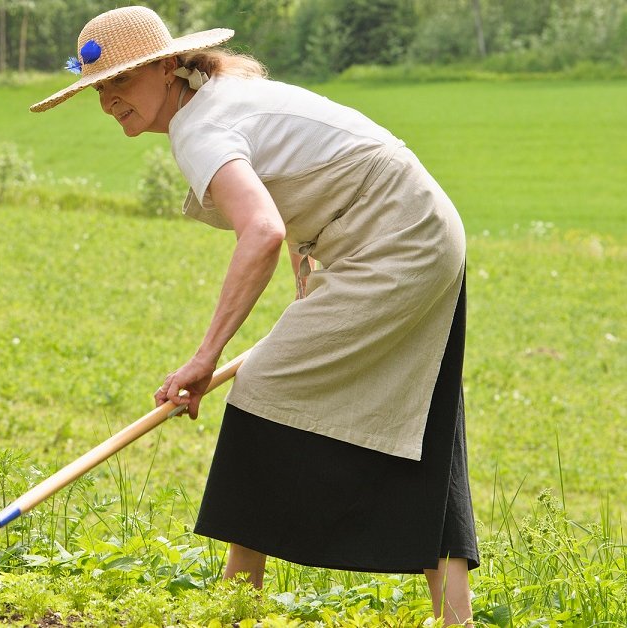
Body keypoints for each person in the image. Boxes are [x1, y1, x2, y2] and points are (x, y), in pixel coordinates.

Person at [31, 6, 477, 626]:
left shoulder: (200, 128)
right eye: (99, 89)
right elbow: (312, 173)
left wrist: (204, 356)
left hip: (396, 241)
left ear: (165, 68)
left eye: (121, 82)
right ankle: (456, 615)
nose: (109, 102)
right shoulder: (216, 99)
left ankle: (240, 605)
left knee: (263, 385)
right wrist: (310, 267)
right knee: (423, 410)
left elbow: (261, 230)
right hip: (416, 230)